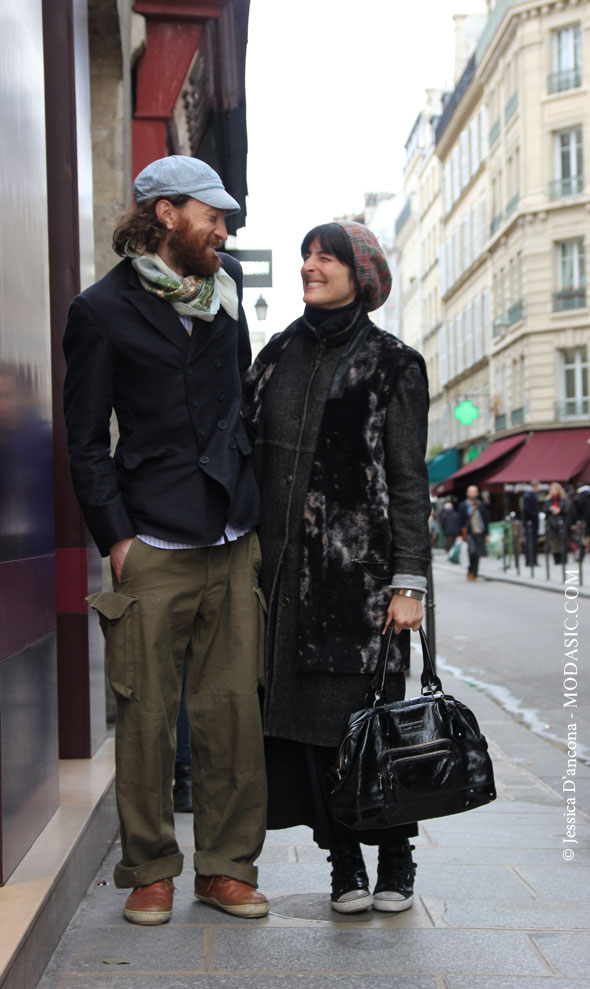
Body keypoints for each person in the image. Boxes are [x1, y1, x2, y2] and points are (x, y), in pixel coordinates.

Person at [63, 156, 268, 925]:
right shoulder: (99, 310)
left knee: (229, 716)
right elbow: (85, 439)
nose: (224, 226)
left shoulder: (229, 293)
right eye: (210, 213)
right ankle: (150, 868)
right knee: (147, 717)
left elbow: (238, 402)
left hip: (232, 535)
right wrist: (117, 540)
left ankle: (226, 867)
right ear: (165, 214)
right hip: (151, 539)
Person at [245, 221, 431, 914]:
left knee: (371, 726)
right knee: (310, 733)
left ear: (362, 272)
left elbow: (409, 481)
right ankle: (344, 863)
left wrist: (409, 582)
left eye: (326, 255)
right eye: (306, 255)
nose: (309, 265)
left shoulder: (393, 364)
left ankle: (397, 858)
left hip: (363, 587)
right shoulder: (278, 355)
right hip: (285, 586)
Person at [459, 485, 490, 581]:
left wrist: (487, 533)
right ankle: (470, 570)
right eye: (471, 491)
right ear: (467, 493)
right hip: (469, 533)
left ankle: (475, 574)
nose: (473, 493)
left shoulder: (481, 505)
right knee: (472, 552)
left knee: (477, 554)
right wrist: (459, 534)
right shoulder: (463, 505)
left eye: (474, 491)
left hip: (479, 532)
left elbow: (486, 519)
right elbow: (460, 521)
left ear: (477, 493)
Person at [543, 481, 573, 564]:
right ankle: (556, 560)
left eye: (554, 489)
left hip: (562, 524)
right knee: (554, 543)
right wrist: (549, 509)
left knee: (563, 542)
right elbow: (545, 511)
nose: (553, 491)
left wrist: (560, 510)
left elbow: (568, 511)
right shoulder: (548, 501)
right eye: (552, 490)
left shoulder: (564, 500)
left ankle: (563, 560)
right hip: (552, 524)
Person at [522, 481, 540, 566]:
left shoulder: (531, 495)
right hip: (530, 524)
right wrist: (535, 515)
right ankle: (530, 561)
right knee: (530, 542)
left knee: (533, 542)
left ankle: (533, 561)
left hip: (531, 523)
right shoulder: (529, 495)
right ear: (534, 486)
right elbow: (527, 510)